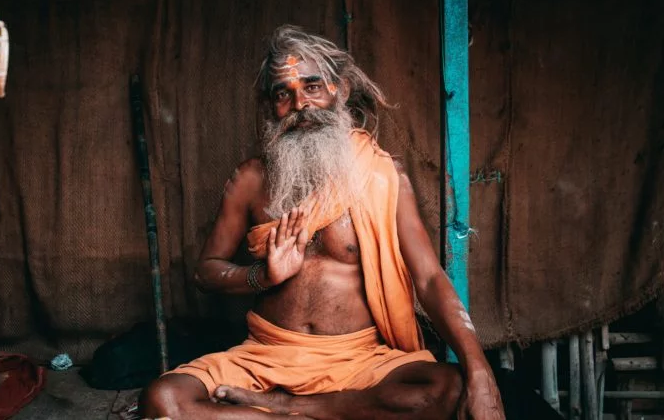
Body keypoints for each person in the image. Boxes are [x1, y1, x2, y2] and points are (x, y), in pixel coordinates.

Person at [142, 26, 505, 420]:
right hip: (265, 355)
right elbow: (206, 273)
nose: (301, 104)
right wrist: (261, 277)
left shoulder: (382, 175)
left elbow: (430, 279)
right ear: (270, 107)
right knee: (164, 398)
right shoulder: (251, 180)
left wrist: (480, 370)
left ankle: (290, 409)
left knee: (446, 389)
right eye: (284, 93)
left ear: (340, 91)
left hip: (359, 359)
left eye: (312, 87)